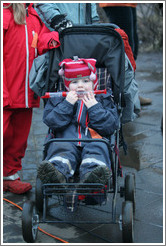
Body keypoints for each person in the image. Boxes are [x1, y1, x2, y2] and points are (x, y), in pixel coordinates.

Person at [3, 3, 60, 194]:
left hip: (25, 93)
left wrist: (55, 38)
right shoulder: (5, 15)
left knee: (19, 139)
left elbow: (41, 40)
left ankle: (9, 175)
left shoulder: (34, 16)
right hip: (7, 92)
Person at [37, 57, 119, 185]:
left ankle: (92, 175)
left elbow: (110, 126)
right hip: (66, 139)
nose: (80, 85)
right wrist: (67, 104)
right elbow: (51, 121)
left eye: (86, 81)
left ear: (93, 84)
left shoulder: (103, 99)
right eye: (74, 82)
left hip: (94, 139)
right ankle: (56, 173)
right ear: (67, 86)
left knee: (99, 148)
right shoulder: (59, 100)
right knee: (60, 148)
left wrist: (94, 107)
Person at [99, 3, 152, 106]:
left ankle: (132, 93)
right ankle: (126, 97)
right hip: (118, 3)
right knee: (125, 49)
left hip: (130, 3)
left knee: (133, 48)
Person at [35, 3, 99, 32]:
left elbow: (90, 6)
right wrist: (55, 19)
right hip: (55, 33)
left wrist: (94, 21)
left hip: (80, 35)